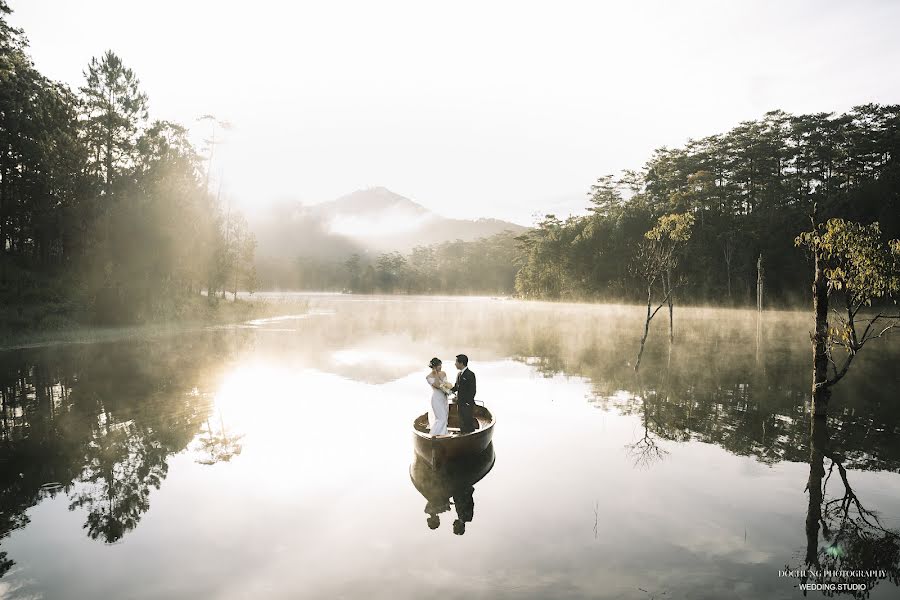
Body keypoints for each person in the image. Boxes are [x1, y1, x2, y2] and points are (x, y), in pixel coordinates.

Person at [451, 354, 477, 434]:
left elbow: (473, 391)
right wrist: (445, 390)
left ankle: (471, 440)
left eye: (456, 362)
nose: (455, 364)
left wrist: (467, 402)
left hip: (467, 404)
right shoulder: (459, 374)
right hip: (460, 404)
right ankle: (462, 438)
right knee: (462, 422)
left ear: (461, 363)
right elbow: (456, 387)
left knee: (468, 423)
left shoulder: (470, 374)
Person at [426, 358, 449, 436]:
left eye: (441, 365)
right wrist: (435, 373)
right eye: (439, 365)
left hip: (444, 398)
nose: (441, 367)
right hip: (436, 399)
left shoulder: (443, 373)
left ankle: (444, 434)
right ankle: (434, 435)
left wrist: (448, 390)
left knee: (445, 417)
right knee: (440, 418)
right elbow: (437, 385)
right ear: (435, 366)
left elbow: (446, 385)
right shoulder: (429, 377)